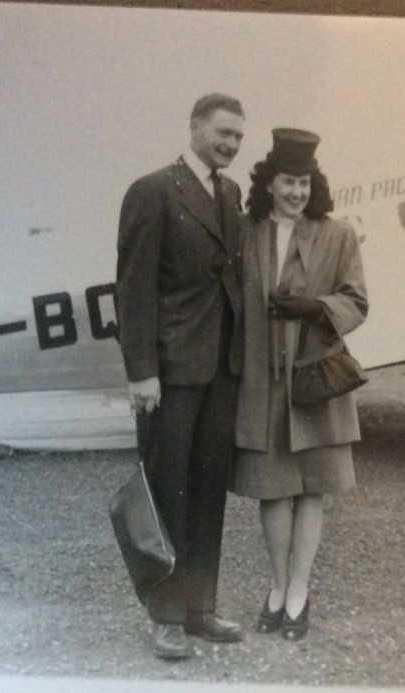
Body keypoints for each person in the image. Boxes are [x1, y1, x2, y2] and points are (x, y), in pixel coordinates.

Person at [114, 93, 246, 660]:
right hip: (170, 369)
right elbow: (134, 287)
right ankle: (164, 616)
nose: (231, 144)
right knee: (169, 487)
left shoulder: (231, 193)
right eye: (222, 133)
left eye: (239, 137)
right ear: (194, 126)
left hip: (220, 368)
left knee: (209, 488)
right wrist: (142, 372)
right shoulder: (153, 190)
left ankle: (199, 608)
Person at [232, 128, 368, 640]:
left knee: (313, 491)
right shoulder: (245, 232)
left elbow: (358, 301)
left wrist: (318, 308)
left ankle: (298, 594)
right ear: (269, 183)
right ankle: (276, 586)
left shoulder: (338, 234)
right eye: (288, 182)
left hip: (316, 382)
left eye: (305, 183)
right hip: (262, 383)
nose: (297, 193)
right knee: (273, 491)